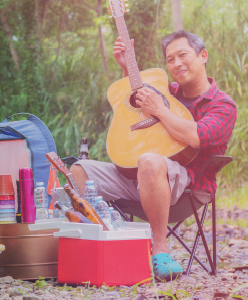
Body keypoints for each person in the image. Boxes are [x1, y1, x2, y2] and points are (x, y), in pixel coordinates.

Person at [70, 30, 237, 280]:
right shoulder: (165, 90)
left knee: (149, 161)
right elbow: (134, 105)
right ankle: (96, 244)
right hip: (139, 176)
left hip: (188, 183)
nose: (176, 63)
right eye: (170, 59)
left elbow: (197, 136)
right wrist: (128, 68)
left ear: (203, 56)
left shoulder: (221, 104)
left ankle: (159, 249)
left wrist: (159, 110)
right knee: (79, 170)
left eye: (183, 55)